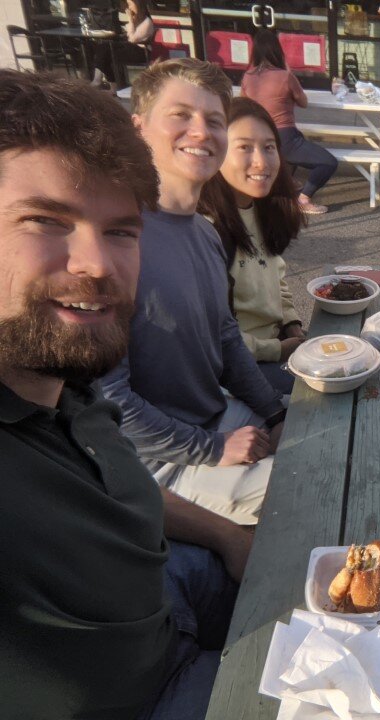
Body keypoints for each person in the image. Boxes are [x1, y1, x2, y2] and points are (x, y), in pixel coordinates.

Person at [0, 69, 249, 720]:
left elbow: (117, 485)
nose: (97, 264)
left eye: (120, 230)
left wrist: (226, 537)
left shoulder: (68, 387)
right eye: (45, 221)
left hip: (174, 588)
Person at [101, 58, 287, 526]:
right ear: (138, 128)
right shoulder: (114, 240)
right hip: (161, 462)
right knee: (307, 489)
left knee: (328, 432)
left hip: (218, 416)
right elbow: (109, 403)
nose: (201, 132)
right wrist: (213, 447)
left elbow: (225, 336)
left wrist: (272, 411)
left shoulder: (203, 232)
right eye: (181, 115)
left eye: (214, 120)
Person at [198, 97, 307, 395]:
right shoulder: (208, 229)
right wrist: (278, 349)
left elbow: (277, 277)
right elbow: (212, 333)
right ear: (217, 151)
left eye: (269, 147)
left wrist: (292, 324)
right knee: (327, 399)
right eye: (244, 147)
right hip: (236, 368)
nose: (261, 161)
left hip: (276, 347)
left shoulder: (262, 208)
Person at [241, 29, 338, 215]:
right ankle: (304, 198)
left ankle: (284, 190)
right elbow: (303, 102)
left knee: (292, 152)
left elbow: (244, 105)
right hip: (285, 137)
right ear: (278, 51)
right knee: (328, 162)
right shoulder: (285, 76)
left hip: (259, 136)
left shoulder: (248, 77)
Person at [91, 0, 154, 93]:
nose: (128, 8)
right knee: (103, 47)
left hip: (141, 51)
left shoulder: (147, 22)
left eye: (130, 5)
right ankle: (98, 80)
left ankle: (111, 85)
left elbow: (132, 39)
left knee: (110, 53)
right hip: (131, 48)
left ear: (138, 5)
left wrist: (130, 20)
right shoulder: (136, 19)